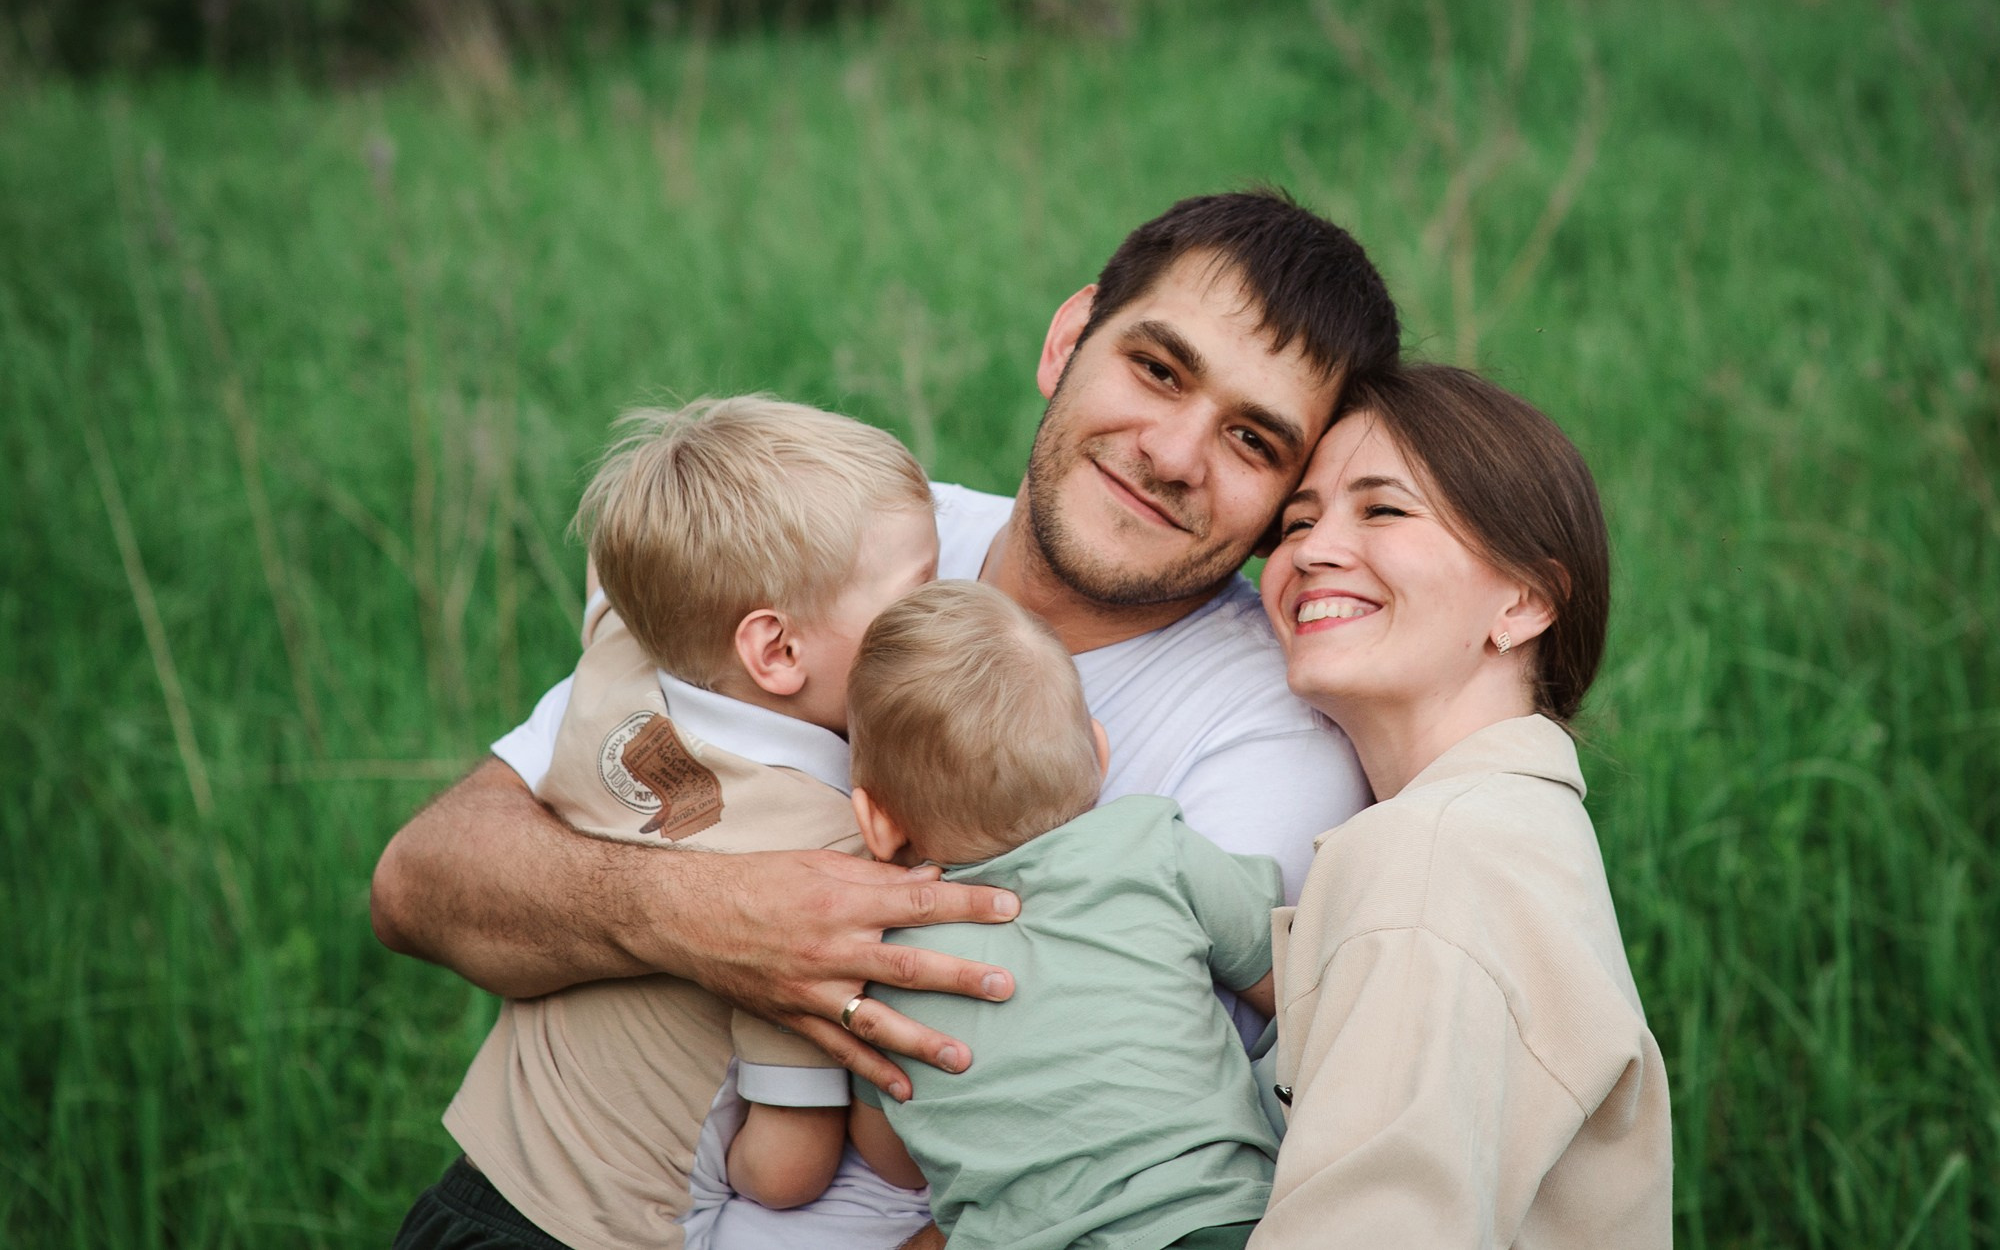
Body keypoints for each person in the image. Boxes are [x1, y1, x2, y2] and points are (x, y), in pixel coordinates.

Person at [371, 190, 1402, 1244]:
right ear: (1067, 338)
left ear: (1287, 507)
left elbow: (1120, 1189)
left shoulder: (1271, 746)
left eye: (1251, 439)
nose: (1175, 452)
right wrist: (700, 914)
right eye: (1157, 368)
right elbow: (420, 883)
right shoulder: (855, 530)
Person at [397, 397, 940, 1250]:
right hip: (601, 1232)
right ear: (777, 651)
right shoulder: (827, 848)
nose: (945, 613)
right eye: (920, 595)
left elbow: (615, 583)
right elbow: (784, 1170)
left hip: (464, 1193)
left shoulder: (618, 660)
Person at [1249, 364, 1672, 1247]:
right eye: (1297, 521)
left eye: (1383, 509)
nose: (1312, 550)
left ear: (1524, 599)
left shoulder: (1432, 855)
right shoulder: (1513, 835)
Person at [731, 579, 1284, 1250]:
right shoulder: (1155, 847)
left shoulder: (881, 964)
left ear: (876, 821)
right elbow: (1291, 982)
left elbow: (898, 1165)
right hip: (1209, 1216)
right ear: (1099, 751)